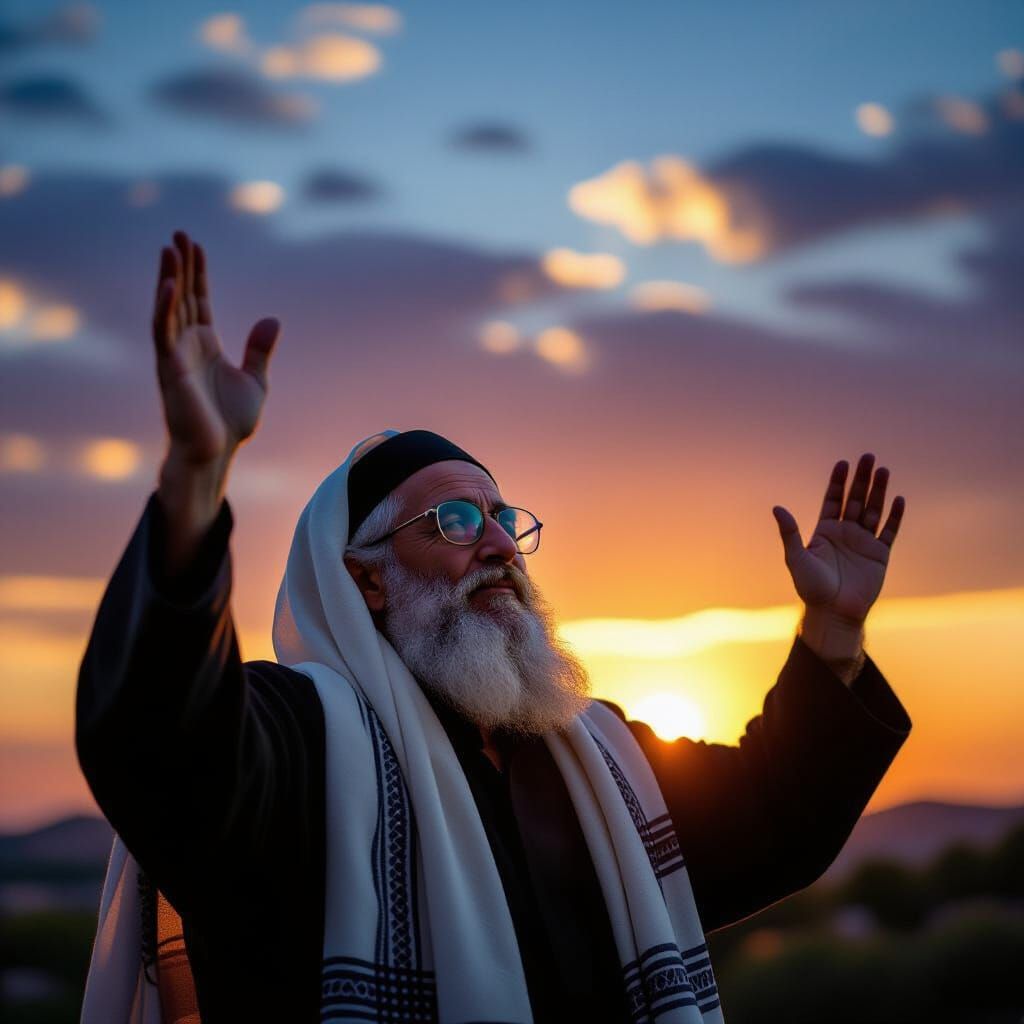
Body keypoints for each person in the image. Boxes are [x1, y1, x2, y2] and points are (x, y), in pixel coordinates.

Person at [76, 231, 911, 1024]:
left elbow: (775, 818)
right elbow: (164, 743)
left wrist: (833, 631)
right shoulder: (295, 740)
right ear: (364, 578)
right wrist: (193, 482)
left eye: (504, 516)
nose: (503, 546)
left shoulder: (599, 759)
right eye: (455, 519)